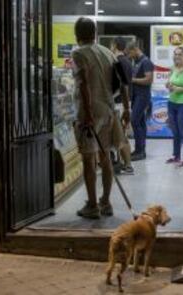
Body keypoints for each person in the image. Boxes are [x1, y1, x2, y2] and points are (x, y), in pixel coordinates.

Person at [72, 17, 127, 218]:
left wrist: (86, 114)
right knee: (106, 158)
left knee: (88, 160)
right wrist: (126, 109)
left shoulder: (78, 53)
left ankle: (93, 206)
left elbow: (83, 84)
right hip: (109, 110)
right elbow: (122, 83)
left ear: (77, 34)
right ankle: (106, 202)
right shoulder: (108, 52)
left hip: (90, 114)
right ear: (94, 34)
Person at [110, 37, 134, 175]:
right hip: (124, 102)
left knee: (119, 136)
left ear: (114, 45)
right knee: (121, 135)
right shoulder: (127, 61)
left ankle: (127, 165)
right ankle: (123, 164)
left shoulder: (117, 61)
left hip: (118, 103)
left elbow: (121, 86)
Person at [127, 42, 154, 161]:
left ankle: (139, 150)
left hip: (143, 96)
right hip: (136, 96)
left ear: (135, 49)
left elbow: (149, 80)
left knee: (134, 120)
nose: (129, 56)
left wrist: (132, 80)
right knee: (141, 122)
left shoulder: (146, 62)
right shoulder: (137, 62)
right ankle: (141, 150)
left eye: (129, 53)